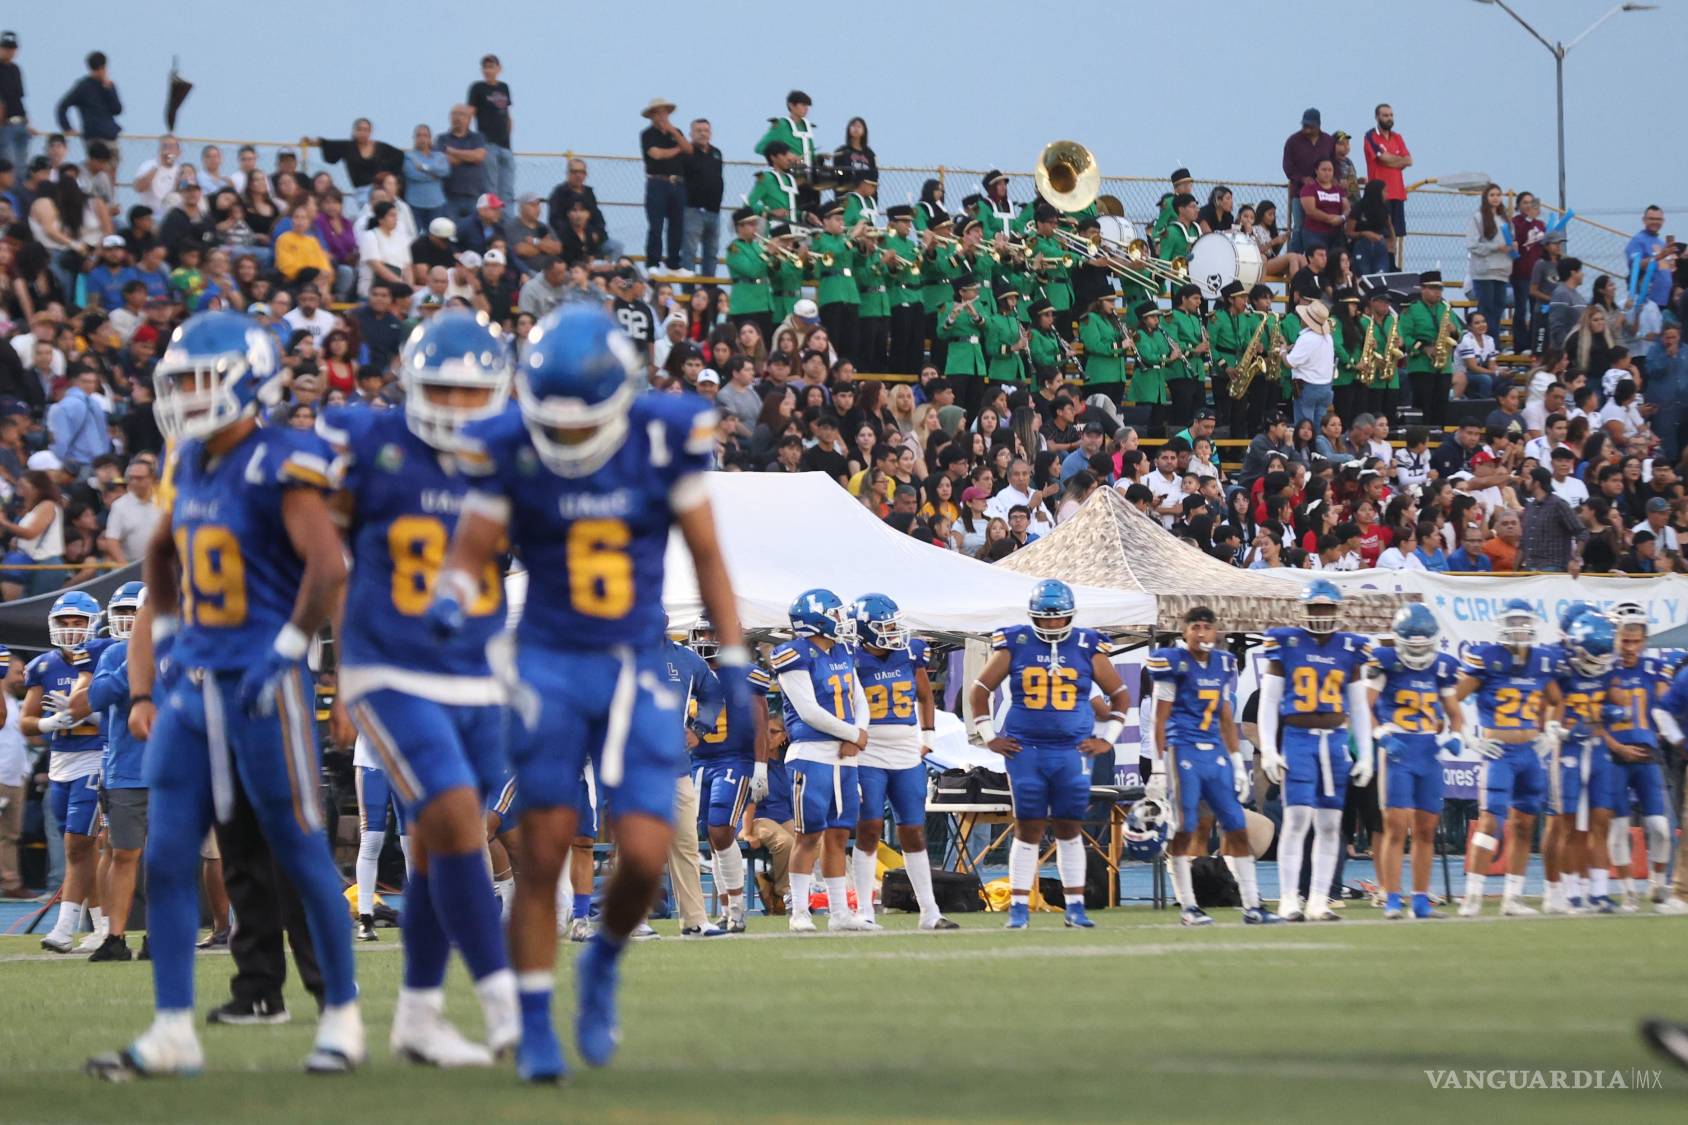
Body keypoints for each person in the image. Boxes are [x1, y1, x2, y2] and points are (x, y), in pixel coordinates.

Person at [424, 304, 754, 1082]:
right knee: (541, 849)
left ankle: (603, 958)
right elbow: (468, 553)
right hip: (547, 660)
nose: (568, 437)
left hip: (634, 658)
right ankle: (537, 1022)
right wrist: (443, 609)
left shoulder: (665, 433)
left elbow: (707, 555)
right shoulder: (509, 443)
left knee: (643, 852)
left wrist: (734, 658)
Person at [87, 312, 362, 1080]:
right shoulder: (188, 462)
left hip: (263, 686)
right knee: (170, 857)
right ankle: (172, 1027)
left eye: (203, 378)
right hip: (193, 685)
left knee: (303, 850)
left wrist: (286, 648)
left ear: (248, 379)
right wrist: (153, 665)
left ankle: (341, 1013)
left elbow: (328, 566)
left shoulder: (285, 457)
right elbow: (160, 559)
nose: (189, 394)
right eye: (181, 381)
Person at [320, 311, 521, 1061]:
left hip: (472, 672)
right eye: (442, 388)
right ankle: (506, 1003)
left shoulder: (510, 455)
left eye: (473, 393)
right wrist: (342, 668)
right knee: (455, 816)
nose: (457, 406)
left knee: (439, 848)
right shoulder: (368, 442)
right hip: (390, 667)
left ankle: (418, 1015)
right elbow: (327, 553)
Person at [969, 579, 1130, 930]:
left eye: (1058, 618)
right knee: (1027, 826)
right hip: (1027, 750)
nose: (1052, 624)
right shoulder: (1016, 641)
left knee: (1069, 827)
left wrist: (1109, 739)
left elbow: (1119, 695)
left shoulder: (1088, 644)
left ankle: (1075, 907)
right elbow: (980, 689)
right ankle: (1019, 909)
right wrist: (989, 736)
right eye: (1044, 618)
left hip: (1070, 750)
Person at [1147, 606, 1279, 926]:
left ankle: (1251, 904)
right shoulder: (1173, 663)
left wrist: (1236, 760)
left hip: (1216, 754)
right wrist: (1158, 766)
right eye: (1195, 627)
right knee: (1185, 827)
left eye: (1207, 627)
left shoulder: (1222, 663)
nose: (1201, 633)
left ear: (1215, 631)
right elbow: (1159, 718)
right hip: (1184, 752)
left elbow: (1223, 715)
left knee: (1235, 824)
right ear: (1184, 632)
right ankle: (1188, 905)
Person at [1256, 580, 1375, 922]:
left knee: (1329, 823)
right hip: (1298, 738)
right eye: (1315, 608)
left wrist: (1364, 752)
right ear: (1303, 610)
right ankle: (1289, 897)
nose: (1321, 614)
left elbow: (1359, 706)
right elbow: (1269, 700)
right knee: (1296, 819)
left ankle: (1319, 899)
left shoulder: (1350, 648)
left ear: (1337, 610)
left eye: (1326, 608)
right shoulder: (1286, 643)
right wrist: (1268, 747)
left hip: (1335, 740)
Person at [848, 594, 956, 931]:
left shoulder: (910, 652)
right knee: (869, 829)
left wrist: (929, 734)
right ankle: (865, 909)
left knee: (913, 830)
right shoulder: (851, 659)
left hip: (906, 750)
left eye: (894, 624)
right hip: (869, 751)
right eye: (885, 626)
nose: (893, 631)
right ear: (865, 630)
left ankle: (929, 911)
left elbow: (925, 695)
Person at [1451, 599, 1560, 917]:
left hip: (1530, 754)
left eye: (1522, 622)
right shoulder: (1488, 658)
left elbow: (1556, 699)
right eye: (1512, 622)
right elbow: (1453, 697)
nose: (1518, 629)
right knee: (1490, 823)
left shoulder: (1541, 660)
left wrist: (1551, 730)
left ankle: (1512, 897)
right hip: (1499, 754)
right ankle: (1473, 895)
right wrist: (1468, 735)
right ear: (1501, 626)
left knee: (1526, 825)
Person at [24, 591, 112, 952]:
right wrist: (51, 722)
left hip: (94, 757)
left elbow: (121, 708)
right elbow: (26, 721)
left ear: (93, 624)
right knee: (81, 849)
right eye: (66, 622)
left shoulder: (107, 654)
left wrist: (87, 714)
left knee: (79, 844)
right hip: (60, 761)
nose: (72, 629)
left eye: (79, 622)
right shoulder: (43, 666)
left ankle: (62, 929)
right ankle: (102, 925)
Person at [62, 583, 145, 959]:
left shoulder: (179, 648)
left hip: (174, 768)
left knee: (166, 857)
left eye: (136, 613)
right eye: (124, 613)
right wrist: (137, 659)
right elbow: (94, 699)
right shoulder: (112, 653)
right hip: (125, 769)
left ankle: (161, 935)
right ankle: (114, 935)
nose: (129, 621)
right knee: (121, 853)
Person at [1366, 604, 1461, 920]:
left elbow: (1454, 713)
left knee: (1427, 829)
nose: (1418, 651)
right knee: (1396, 827)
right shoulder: (1386, 662)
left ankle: (1420, 899)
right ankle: (1392, 897)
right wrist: (1380, 733)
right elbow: (1365, 705)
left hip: (1428, 752)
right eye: (1413, 645)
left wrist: (1456, 734)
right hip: (1398, 751)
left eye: (1424, 645)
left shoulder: (1442, 667)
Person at [682, 614, 770, 934]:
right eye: (702, 632)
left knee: (720, 828)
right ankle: (725, 910)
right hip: (698, 762)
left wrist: (761, 767)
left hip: (735, 759)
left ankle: (736, 908)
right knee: (709, 833)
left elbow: (761, 724)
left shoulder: (746, 674)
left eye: (711, 631)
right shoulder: (689, 673)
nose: (705, 638)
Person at [1602, 602, 1679, 911]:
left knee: (1661, 828)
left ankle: (1657, 884)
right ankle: (1627, 891)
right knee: (1618, 828)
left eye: (1636, 640)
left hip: (1647, 756)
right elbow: (1592, 719)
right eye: (1625, 639)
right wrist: (1617, 747)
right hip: (1615, 757)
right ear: (1614, 637)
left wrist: (1664, 723)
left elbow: (1664, 704)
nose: (1631, 647)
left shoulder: (1654, 668)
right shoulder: (1603, 670)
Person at [1400, 271, 1460, 428]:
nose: (1437, 292)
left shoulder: (1446, 309)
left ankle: (1438, 438)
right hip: (1421, 366)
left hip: (1444, 366)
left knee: (1441, 407)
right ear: (1422, 289)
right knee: (1423, 406)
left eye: (1439, 289)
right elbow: (1404, 337)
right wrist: (1424, 348)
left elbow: (1458, 336)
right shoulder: (1411, 309)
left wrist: (1453, 330)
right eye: (1433, 288)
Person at [638, 97, 690, 276]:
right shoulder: (647, 134)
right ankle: (653, 262)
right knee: (656, 224)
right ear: (652, 115)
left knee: (677, 225)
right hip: (657, 183)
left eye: (664, 112)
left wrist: (674, 133)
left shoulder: (676, 132)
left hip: (677, 183)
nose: (661, 116)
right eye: (658, 112)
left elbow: (689, 149)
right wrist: (677, 149)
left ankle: (674, 264)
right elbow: (656, 154)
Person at [1282, 107, 1333, 253]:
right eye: (1304, 125)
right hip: (1300, 192)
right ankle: (1294, 258)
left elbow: (1333, 162)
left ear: (1318, 125)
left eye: (1310, 126)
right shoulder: (1293, 141)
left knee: (1321, 227)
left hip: (1324, 194)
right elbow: (1287, 166)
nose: (1306, 129)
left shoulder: (1328, 141)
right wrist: (1302, 179)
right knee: (1299, 226)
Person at [467, 55, 514, 204]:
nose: (488, 70)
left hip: (505, 146)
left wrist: (508, 137)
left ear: (498, 69)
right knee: (491, 187)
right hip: (487, 144)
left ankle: (506, 222)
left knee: (507, 189)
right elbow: (470, 113)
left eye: (491, 66)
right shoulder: (477, 88)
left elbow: (508, 116)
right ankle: (493, 221)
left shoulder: (504, 87)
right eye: (485, 67)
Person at [1465, 184, 1511, 336]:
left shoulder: (1505, 219)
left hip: (1502, 271)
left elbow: (1509, 241)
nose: (1496, 197)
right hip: (1484, 272)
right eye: (1492, 194)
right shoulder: (1478, 217)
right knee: (1486, 309)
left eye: (1498, 194)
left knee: (1498, 308)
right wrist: (1496, 247)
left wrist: (1512, 246)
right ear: (1486, 197)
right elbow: (1472, 244)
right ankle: (1484, 343)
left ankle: (1494, 343)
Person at [681, 118, 723, 280]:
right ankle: (689, 291)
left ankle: (709, 291)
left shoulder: (717, 153)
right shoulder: (686, 152)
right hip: (692, 210)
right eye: (698, 130)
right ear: (691, 133)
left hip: (714, 212)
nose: (702, 133)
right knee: (689, 251)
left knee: (711, 253)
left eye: (705, 130)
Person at [54, 51, 121, 148]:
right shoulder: (83, 87)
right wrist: (67, 128)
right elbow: (62, 106)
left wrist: (109, 90)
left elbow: (117, 110)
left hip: (110, 136)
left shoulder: (109, 85)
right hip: (93, 137)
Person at [1286, 299, 1334, 428]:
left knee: (1304, 429)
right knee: (1319, 430)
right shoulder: (1328, 337)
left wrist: (1283, 352)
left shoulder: (1306, 338)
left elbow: (1290, 363)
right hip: (1326, 388)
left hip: (1307, 388)